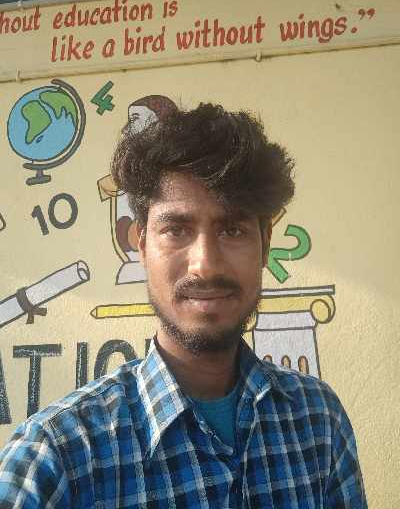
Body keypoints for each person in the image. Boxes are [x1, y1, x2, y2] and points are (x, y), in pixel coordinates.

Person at [0, 103, 367, 508]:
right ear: (142, 246)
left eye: (232, 230)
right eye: (176, 229)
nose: (205, 265)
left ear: (265, 244)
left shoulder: (319, 420)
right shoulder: (55, 457)